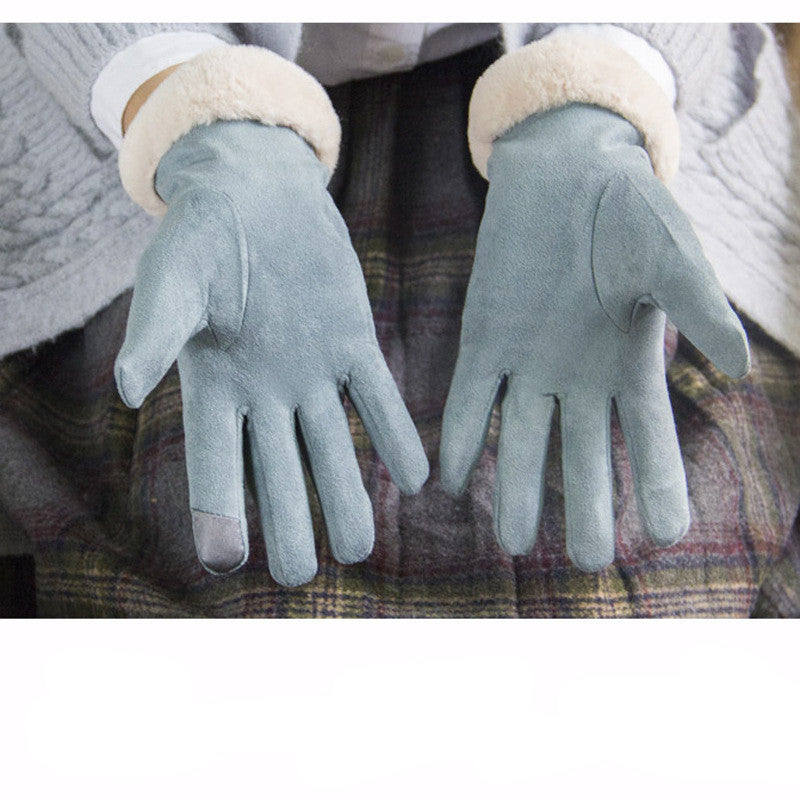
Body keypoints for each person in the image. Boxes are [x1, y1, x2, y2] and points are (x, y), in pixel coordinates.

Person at [1, 22, 799, 617]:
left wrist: (596, 98)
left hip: (592, 91)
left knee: (659, 572)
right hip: (141, 128)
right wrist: (190, 113)